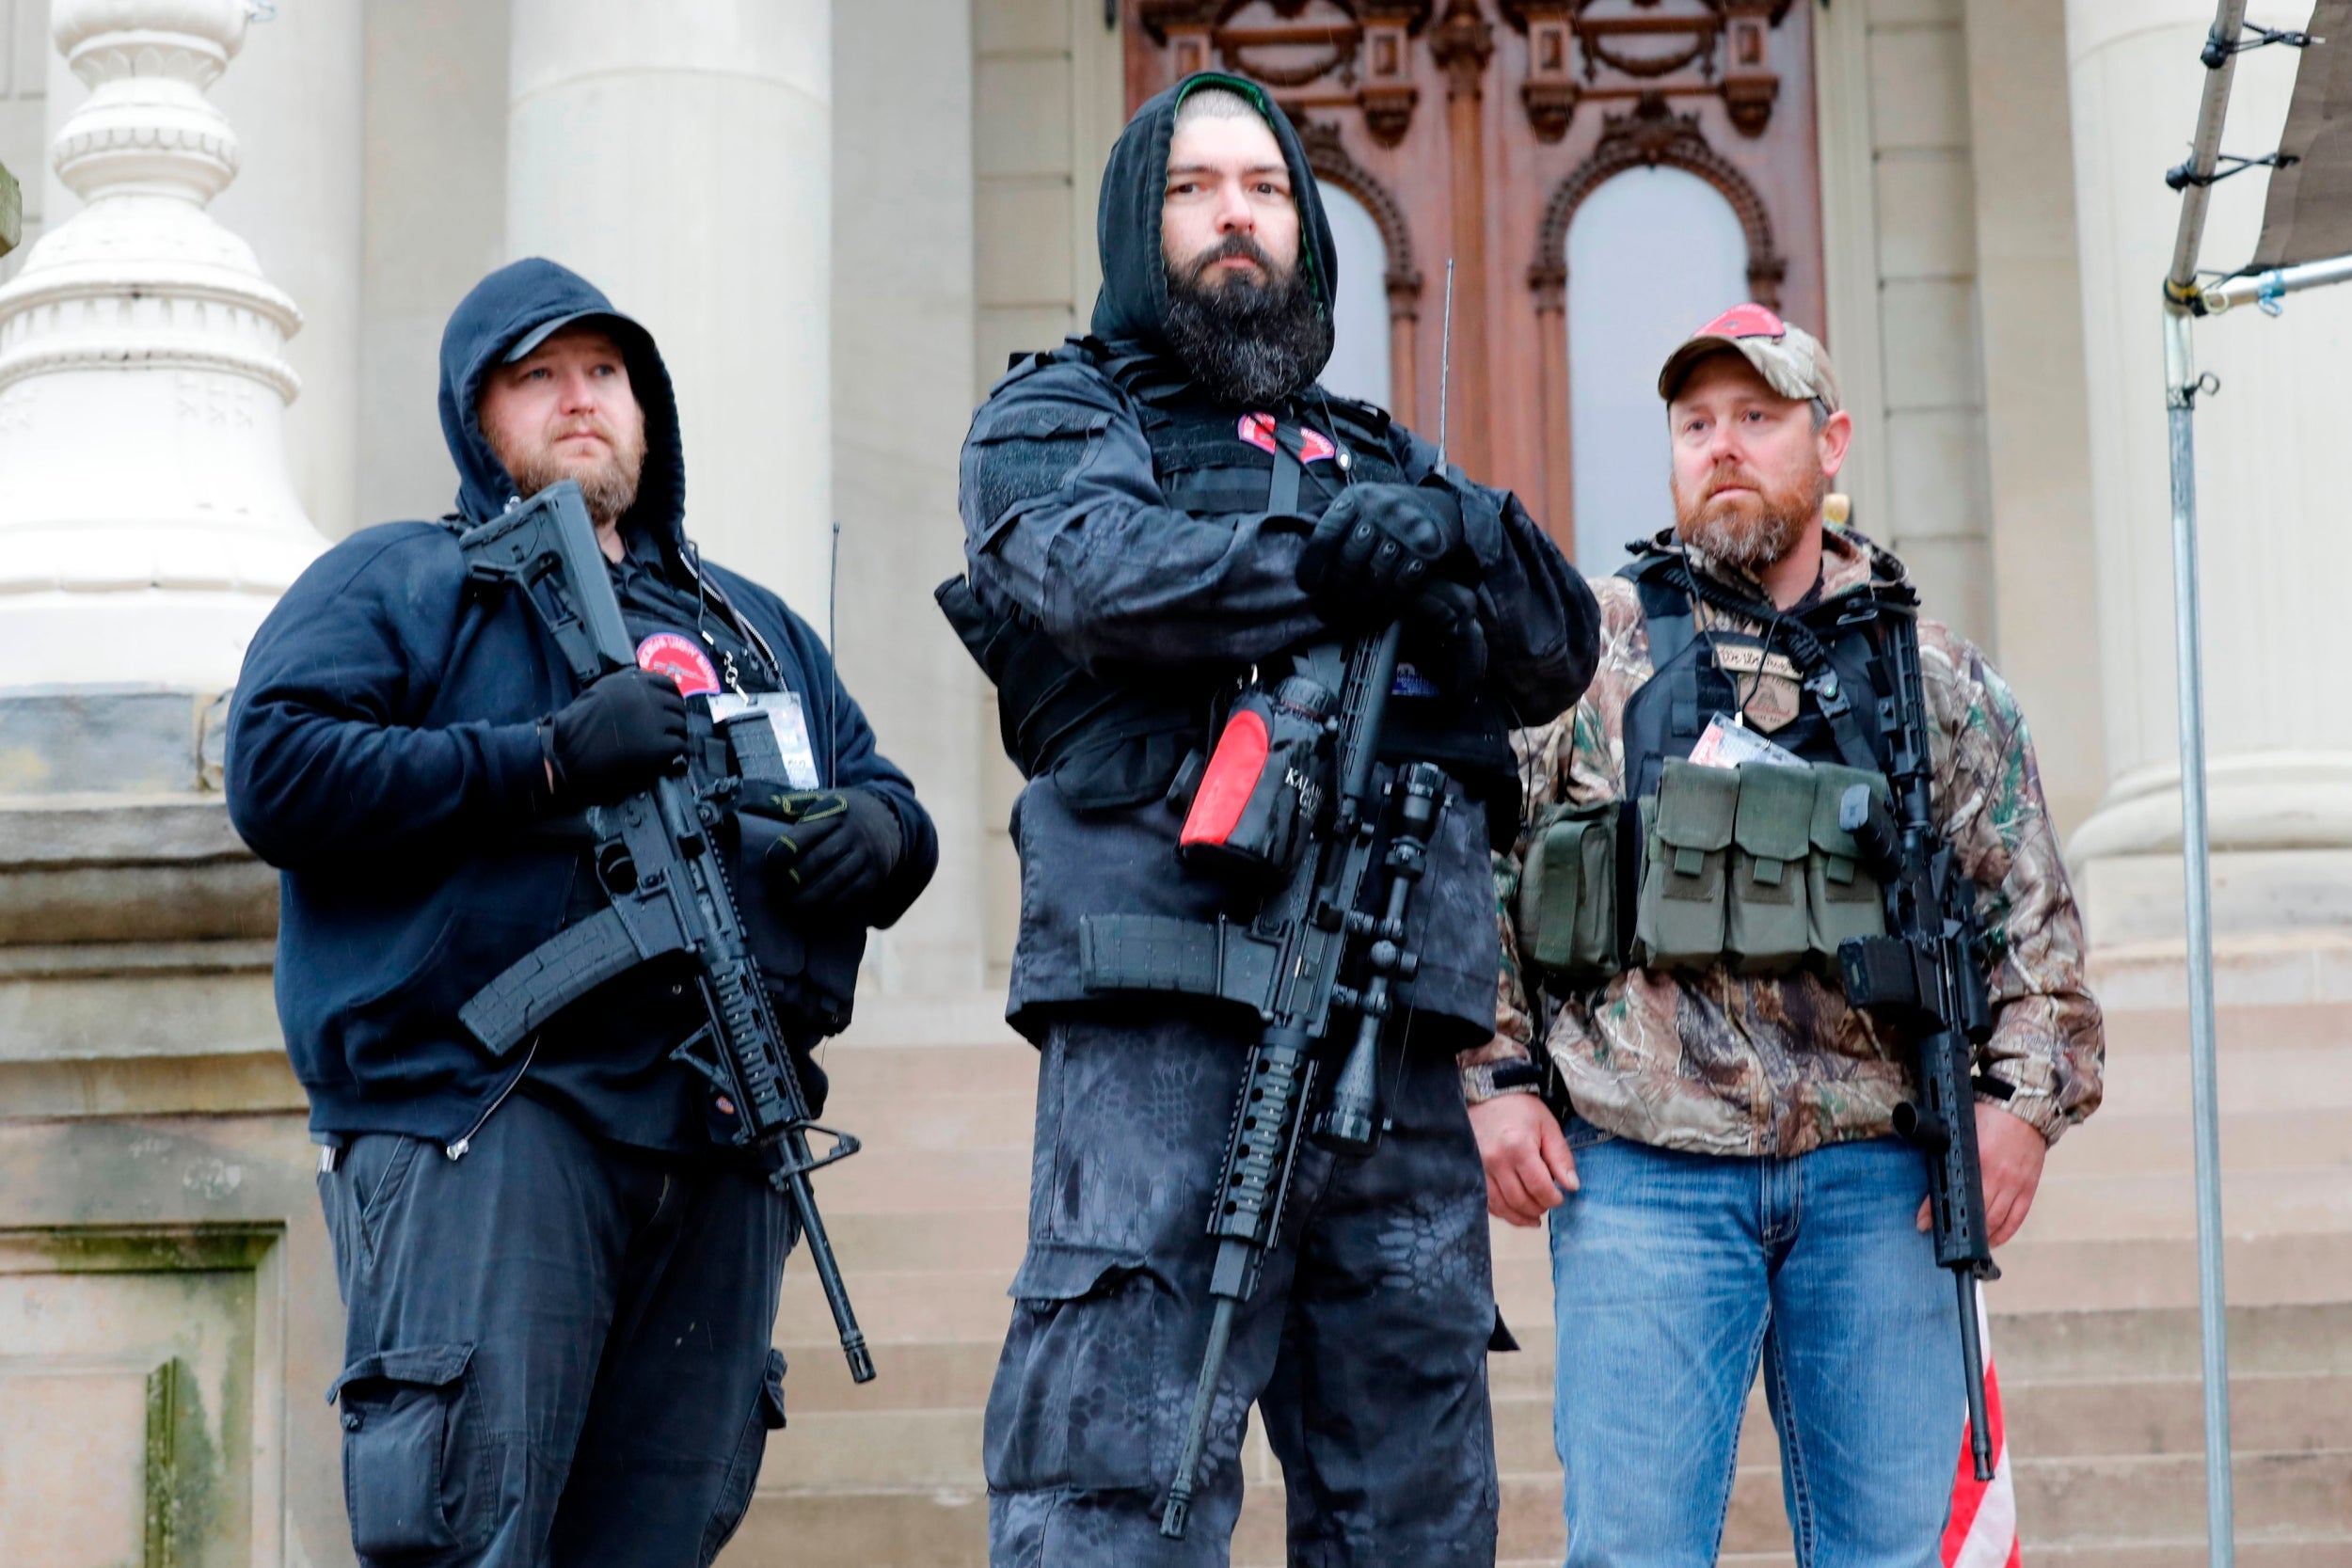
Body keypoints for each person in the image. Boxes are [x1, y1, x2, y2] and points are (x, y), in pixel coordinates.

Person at [943, 72, 1598, 1566]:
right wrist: (1328, 559)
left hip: (1386, 1031)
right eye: (1194, 188)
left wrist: (1459, 527)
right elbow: (1096, 575)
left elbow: (1551, 651)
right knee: (1122, 1472)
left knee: (1414, 1501)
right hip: (1168, 1009)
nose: (1237, 215)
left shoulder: (1379, 451)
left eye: (1266, 189)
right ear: (1134, 219)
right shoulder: (1057, 413)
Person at [226, 257, 936, 1568]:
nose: (578, 400)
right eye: (536, 376)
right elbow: (276, 768)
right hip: (491, 1119)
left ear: (645, 404)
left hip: (720, 1138)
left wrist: (887, 838)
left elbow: (879, 785)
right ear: (474, 415)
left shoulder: (751, 623)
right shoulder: (404, 580)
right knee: (469, 1532)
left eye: (604, 372)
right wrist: (541, 760)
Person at [1461, 304, 2104, 1564]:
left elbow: (2032, 925)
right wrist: (1492, 1082)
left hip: (1884, 1181)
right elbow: (1475, 875)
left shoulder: (1935, 680)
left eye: (1758, 419)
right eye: (1696, 425)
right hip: (1640, 1170)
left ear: (1832, 440)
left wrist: (2020, 1107)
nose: (1723, 447)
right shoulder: (1586, 655)